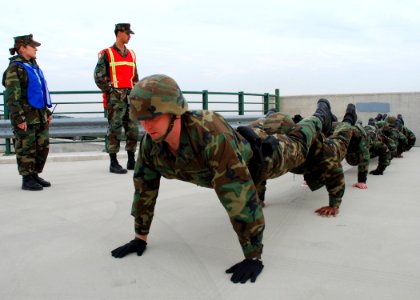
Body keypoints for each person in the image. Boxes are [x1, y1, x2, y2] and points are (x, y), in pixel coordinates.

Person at [110, 74, 333, 284]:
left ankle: (320, 116)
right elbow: (144, 190)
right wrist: (140, 237)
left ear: (175, 112)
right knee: (262, 125)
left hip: (264, 160)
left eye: (153, 117)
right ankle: (272, 115)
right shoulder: (151, 145)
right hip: (242, 140)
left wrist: (253, 256)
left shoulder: (210, 136)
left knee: (299, 141)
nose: (146, 127)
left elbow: (239, 196)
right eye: (141, 120)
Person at [2, 34, 52, 191]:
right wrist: (18, 118)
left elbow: (40, 92)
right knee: (26, 147)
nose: (36, 49)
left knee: (41, 146)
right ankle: (27, 178)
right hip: (26, 116)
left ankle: (35, 174)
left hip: (39, 115)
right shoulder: (15, 68)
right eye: (32, 46)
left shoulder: (33, 66)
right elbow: (12, 97)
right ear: (22, 48)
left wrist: (47, 113)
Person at [94, 23, 139, 174]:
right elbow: (98, 76)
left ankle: (131, 160)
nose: (129, 36)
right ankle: (113, 162)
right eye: (127, 33)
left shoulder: (132, 54)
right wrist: (111, 91)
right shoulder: (108, 53)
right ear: (119, 33)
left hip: (130, 98)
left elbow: (135, 77)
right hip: (115, 99)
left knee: (132, 129)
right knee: (114, 129)